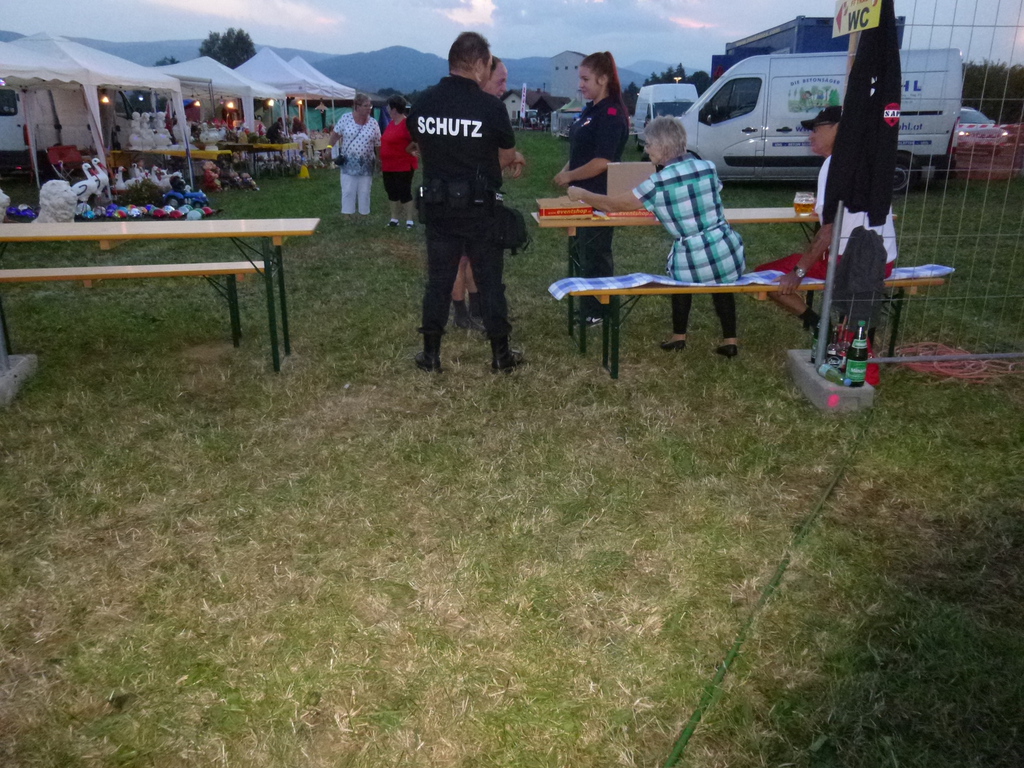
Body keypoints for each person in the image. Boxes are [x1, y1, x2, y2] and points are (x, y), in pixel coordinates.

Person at [568, 116, 744, 357]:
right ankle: (730, 340)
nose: (646, 149)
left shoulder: (657, 183)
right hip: (729, 253)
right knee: (719, 279)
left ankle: (679, 337)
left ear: (662, 146)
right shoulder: (708, 167)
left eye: (649, 144)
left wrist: (581, 193)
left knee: (681, 275)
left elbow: (612, 205)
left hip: (692, 262)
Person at [408, 31, 524, 373]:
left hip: (439, 207)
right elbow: (506, 156)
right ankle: (501, 356)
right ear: (478, 63)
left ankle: (431, 355)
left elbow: (419, 145)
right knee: (490, 284)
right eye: (488, 65)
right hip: (480, 210)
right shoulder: (490, 107)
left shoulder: (424, 102)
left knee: (438, 283)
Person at [755, 106, 898, 329]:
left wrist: (798, 272)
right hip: (883, 259)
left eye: (816, 129)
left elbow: (829, 229)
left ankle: (819, 327)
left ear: (839, 129)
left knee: (763, 276)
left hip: (851, 263)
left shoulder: (835, 165)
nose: (811, 136)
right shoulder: (868, 159)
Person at [449, 55, 526, 332]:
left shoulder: (486, 109)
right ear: (482, 76)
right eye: (500, 81)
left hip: (478, 197)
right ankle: (461, 314)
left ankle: (477, 309)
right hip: (458, 198)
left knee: (473, 256)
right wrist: (510, 157)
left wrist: (510, 156)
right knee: (461, 258)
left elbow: (488, 153)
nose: (504, 88)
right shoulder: (466, 108)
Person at [553, 51, 630, 326]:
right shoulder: (591, 110)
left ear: (603, 78)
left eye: (585, 79)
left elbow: (601, 162)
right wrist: (566, 172)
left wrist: (570, 175)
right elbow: (581, 150)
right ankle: (588, 306)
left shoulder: (611, 113)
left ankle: (599, 311)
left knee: (596, 255)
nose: (580, 84)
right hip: (580, 196)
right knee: (583, 254)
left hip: (598, 196)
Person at [329, 93, 381, 218]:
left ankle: (364, 213)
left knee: (365, 190)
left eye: (370, 106)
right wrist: (329, 148)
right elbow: (335, 135)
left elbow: (378, 143)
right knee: (348, 189)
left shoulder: (373, 123)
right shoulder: (346, 118)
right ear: (357, 106)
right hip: (348, 161)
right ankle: (347, 213)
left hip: (366, 162)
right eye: (365, 105)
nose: (369, 108)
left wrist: (379, 159)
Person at [380, 95, 418, 229]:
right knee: (391, 191)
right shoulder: (391, 123)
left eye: (388, 107)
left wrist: (409, 149)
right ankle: (394, 218)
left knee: (404, 192)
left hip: (403, 165)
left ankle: (409, 220)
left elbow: (416, 139)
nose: (387, 109)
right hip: (388, 165)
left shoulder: (406, 124)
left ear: (394, 109)